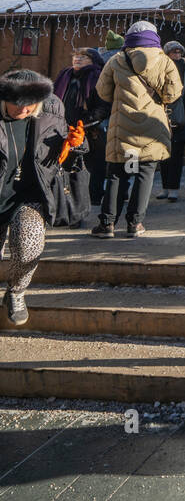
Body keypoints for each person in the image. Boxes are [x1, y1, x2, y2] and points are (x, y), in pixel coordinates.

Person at [0, 69, 86, 324]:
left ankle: (16, 291)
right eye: (19, 105)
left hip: (30, 194)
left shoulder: (51, 110)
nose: (25, 111)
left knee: (29, 244)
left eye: (31, 105)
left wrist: (76, 147)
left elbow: (63, 155)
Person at [91, 20, 182, 238]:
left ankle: (107, 224)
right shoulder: (165, 62)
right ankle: (134, 224)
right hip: (151, 129)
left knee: (118, 173)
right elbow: (172, 94)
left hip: (123, 128)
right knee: (144, 173)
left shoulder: (117, 60)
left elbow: (103, 92)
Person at [53, 47, 109, 214]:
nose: (77, 59)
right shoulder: (66, 75)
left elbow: (104, 105)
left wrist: (85, 123)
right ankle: (67, 198)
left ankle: (94, 196)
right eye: (76, 56)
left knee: (92, 164)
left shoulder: (98, 76)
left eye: (83, 57)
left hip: (91, 129)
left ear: (93, 61)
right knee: (67, 163)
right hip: (64, 128)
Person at [155, 42, 185, 202]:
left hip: (181, 118)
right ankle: (165, 188)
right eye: (173, 52)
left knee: (176, 154)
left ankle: (173, 189)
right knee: (163, 154)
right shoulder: (159, 69)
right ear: (167, 53)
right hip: (162, 116)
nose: (176, 55)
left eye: (178, 52)